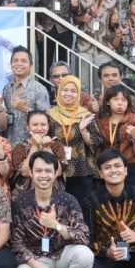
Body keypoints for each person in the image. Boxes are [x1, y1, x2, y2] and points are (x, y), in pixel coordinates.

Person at [11, 151, 94, 268]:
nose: (43, 175)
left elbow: (84, 236)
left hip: (62, 255)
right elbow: (16, 242)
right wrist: (36, 266)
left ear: (56, 173)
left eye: (48, 171)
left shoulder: (68, 200)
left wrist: (56, 225)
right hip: (36, 257)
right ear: (31, 173)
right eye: (39, 171)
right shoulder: (20, 202)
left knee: (85, 254)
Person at [47, 75, 100, 205]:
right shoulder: (50, 115)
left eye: (73, 91)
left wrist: (83, 130)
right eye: (65, 90)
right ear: (59, 91)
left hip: (81, 171)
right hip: (56, 171)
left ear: (78, 94)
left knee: (82, 210)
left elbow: (96, 142)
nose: (69, 94)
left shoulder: (85, 115)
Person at [71, 0, 120, 93]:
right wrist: (81, 18)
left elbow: (114, 25)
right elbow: (74, 20)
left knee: (102, 85)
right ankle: (85, 112)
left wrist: (116, 22)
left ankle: (102, 110)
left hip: (104, 47)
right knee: (83, 84)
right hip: (84, 46)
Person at [95, 84, 135, 187]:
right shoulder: (101, 122)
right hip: (109, 167)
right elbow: (98, 148)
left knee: (131, 200)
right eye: (115, 99)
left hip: (130, 167)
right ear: (108, 102)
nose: (120, 103)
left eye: (124, 100)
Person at [37, 0, 76, 79]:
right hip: (44, 29)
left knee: (64, 65)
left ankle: (64, 95)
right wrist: (37, 25)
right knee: (44, 64)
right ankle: (44, 94)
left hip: (64, 29)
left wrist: (76, 6)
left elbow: (73, 8)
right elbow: (34, 4)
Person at [3, 45, 51, 143]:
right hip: (9, 144)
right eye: (15, 60)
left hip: (31, 146)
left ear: (31, 65)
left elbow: (47, 119)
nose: (19, 64)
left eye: (24, 61)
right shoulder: (6, 88)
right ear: (11, 64)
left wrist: (26, 109)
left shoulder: (39, 89)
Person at [10, 111, 63, 197]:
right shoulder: (20, 147)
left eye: (43, 124)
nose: (39, 128)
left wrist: (47, 147)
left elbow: (58, 172)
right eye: (35, 125)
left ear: (48, 126)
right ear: (28, 127)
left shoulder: (57, 145)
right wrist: (34, 146)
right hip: (24, 195)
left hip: (52, 194)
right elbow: (25, 172)